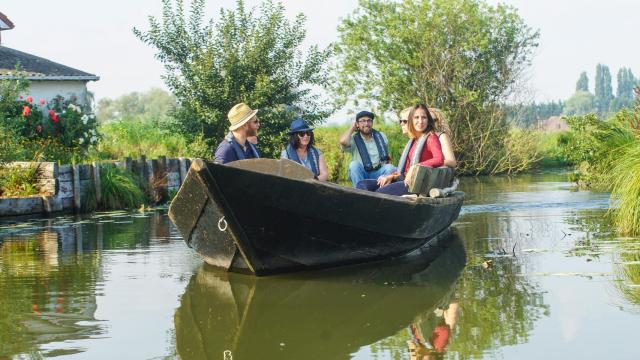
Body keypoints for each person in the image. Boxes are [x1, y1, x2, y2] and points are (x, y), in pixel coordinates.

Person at [376, 104, 444, 196]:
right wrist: (391, 176)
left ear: (428, 120)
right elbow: (405, 171)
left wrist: (415, 167)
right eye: (416, 117)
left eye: (424, 117)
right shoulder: (413, 140)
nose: (420, 121)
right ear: (411, 120)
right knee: (364, 185)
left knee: (379, 193)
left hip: (416, 184)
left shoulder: (431, 137)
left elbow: (439, 159)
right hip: (403, 179)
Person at [339, 110, 396, 187]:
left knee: (390, 167)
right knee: (354, 165)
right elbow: (343, 141)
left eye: (369, 121)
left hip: (379, 173)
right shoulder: (353, 139)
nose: (366, 124)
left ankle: (384, 191)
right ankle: (359, 192)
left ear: (372, 122)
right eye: (362, 121)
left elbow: (388, 157)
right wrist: (352, 128)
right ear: (357, 124)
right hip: (363, 173)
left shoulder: (381, 136)